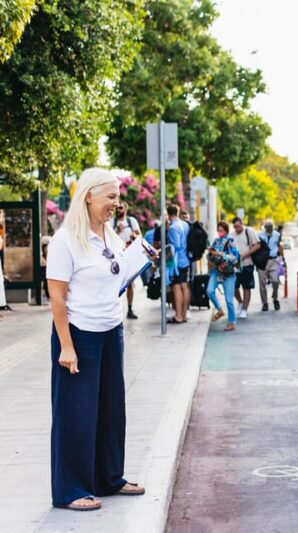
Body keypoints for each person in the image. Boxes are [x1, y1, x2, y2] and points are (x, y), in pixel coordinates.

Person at [46, 168, 147, 512]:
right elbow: (57, 299)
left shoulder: (110, 236)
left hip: (110, 331)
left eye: (118, 197)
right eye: (110, 197)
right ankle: (70, 489)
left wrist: (138, 257)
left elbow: (115, 277)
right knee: (76, 413)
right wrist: (67, 347)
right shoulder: (65, 241)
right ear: (88, 195)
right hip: (79, 334)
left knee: (111, 409)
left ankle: (109, 478)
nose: (116, 204)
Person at [207, 220, 240, 331]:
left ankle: (232, 322)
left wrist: (222, 255)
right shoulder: (216, 242)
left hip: (228, 273)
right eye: (218, 230)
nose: (219, 232)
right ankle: (219, 310)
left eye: (221, 230)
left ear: (226, 230)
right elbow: (209, 255)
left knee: (229, 299)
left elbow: (235, 257)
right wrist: (211, 254)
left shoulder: (231, 241)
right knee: (209, 290)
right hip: (216, 271)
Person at [110, 202, 141, 319]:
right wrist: (118, 229)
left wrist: (134, 235)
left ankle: (130, 308)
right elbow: (107, 237)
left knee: (130, 283)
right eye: (117, 208)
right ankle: (113, 309)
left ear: (126, 209)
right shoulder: (111, 222)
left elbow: (139, 236)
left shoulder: (131, 221)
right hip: (115, 256)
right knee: (114, 283)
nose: (118, 210)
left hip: (129, 256)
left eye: (120, 208)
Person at [231, 217, 259, 319]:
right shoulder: (232, 234)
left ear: (242, 224)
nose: (237, 228)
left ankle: (245, 309)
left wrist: (244, 255)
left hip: (247, 264)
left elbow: (257, 246)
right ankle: (240, 302)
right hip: (235, 265)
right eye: (235, 227)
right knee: (234, 287)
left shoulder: (249, 231)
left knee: (246, 287)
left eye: (238, 226)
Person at [166, 205, 190, 323]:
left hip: (177, 262)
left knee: (176, 287)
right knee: (184, 286)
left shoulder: (173, 228)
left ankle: (179, 315)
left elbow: (175, 246)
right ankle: (184, 315)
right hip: (185, 259)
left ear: (168, 214)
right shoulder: (185, 224)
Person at [257, 220, 283, 311]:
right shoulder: (259, 235)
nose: (270, 229)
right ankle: (264, 303)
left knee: (275, 281)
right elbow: (256, 247)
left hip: (273, 260)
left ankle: (275, 298)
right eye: (268, 227)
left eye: (271, 227)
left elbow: (279, 246)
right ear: (265, 228)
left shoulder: (277, 235)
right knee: (262, 283)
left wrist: (283, 259)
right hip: (262, 261)